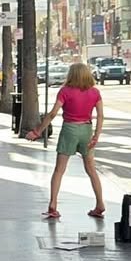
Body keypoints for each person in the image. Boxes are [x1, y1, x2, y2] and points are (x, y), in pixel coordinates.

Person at [26, 59, 106, 220]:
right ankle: (100, 204)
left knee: (59, 170)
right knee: (91, 170)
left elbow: (53, 113)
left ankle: (53, 204)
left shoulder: (65, 91)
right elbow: (101, 116)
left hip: (69, 129)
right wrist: (96, 136)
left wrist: (38, 131)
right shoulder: (94, 92)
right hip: (86, 129)